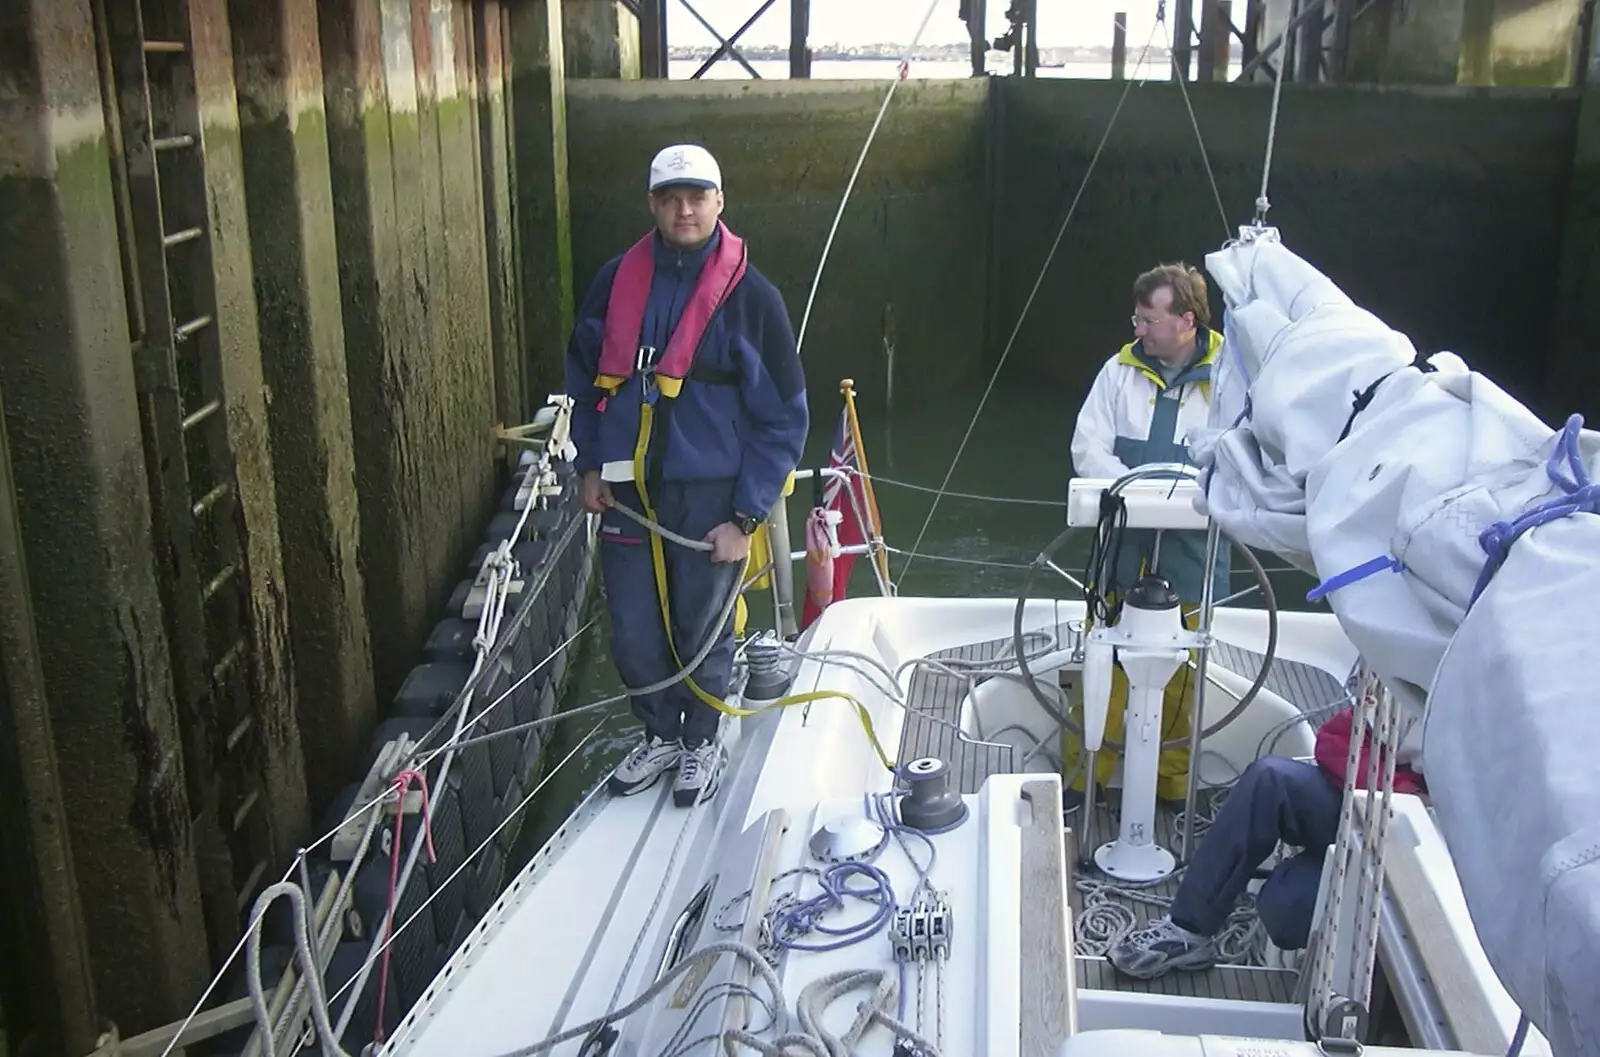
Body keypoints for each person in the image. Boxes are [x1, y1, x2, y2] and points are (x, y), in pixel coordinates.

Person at [563, 144, 808, 807]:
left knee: (703, 628)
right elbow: (584, 378)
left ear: (719, 202)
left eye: (698, 196)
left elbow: (784, 417)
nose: (685, 208)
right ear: (652, 204)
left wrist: (746, 516)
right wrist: (588, 463)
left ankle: (703, 738)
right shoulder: (614, 281)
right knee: (634, 632)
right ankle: (660, 733)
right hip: (627, 492)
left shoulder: (753, 298)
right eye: (671, 197)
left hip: (709, 496)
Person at [1065, 262, 1230, 808]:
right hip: (1120, 554)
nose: (1137, 330)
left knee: (1182, 678)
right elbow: (1088, 446)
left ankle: (1173, 791)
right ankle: (1081, 782)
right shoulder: (1118, 371)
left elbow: (1242, 454)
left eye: (1148, 320)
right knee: (1102, 664)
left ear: (1187, 319)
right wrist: (1137, 492)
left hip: (1193, 556)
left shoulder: (1231, 377)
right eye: (1136, 318)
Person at [1107, 707, 1427, 980]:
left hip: (1419, 849)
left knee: (1285, 906)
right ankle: (1188, 931)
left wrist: (1396, 792)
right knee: (1268, 777)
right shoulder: (1414, 678)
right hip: (1371, 804)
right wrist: (1397, 789)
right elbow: (1337, 739)